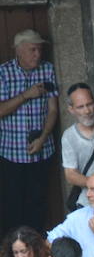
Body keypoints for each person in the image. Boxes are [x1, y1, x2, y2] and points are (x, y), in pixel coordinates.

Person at [0, 30, 60, 232]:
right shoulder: (3, 73)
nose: (37, 54)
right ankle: (12, 251)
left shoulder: (48, 70)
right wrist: (26, 95)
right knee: (12, 206)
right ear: (19, 51)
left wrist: (43, 138)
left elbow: (53, 110)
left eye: (40, 49)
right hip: (11, 153)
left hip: (42, 150)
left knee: (38, 203)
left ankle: (35, 250)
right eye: (32, 49)